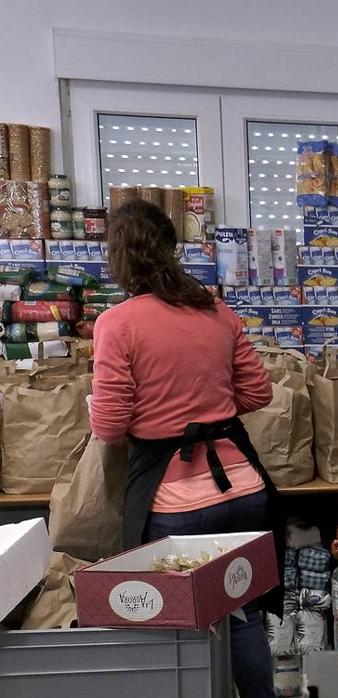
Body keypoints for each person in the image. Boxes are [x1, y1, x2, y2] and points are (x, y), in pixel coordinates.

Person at [90, 201, 280, 698]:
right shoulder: (216, 309)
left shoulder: (118, 323)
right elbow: (259, 394)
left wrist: (157, 411)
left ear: (119, 259)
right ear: (172, 251)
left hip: (175, 503)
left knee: (176, 625)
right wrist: (208, 405)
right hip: (243, 488)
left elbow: (109, 426)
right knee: (243, 615)